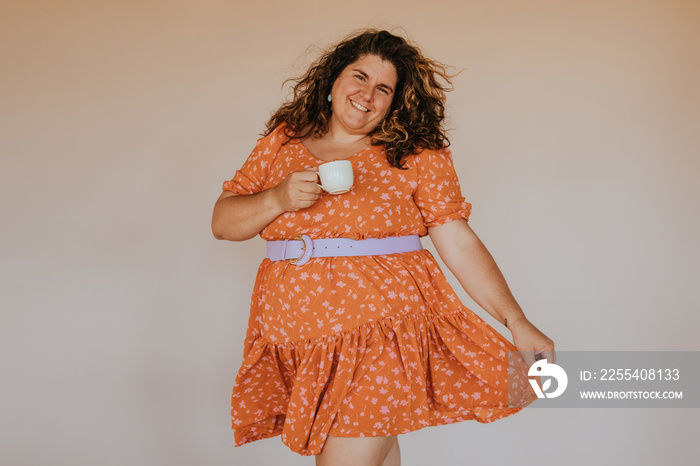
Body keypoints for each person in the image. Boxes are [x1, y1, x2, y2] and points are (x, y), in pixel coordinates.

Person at [212, 29, 555, 466]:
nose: (366, 94)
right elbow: (223, 223)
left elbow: (458, 241)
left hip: (383, 331)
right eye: (359, 77)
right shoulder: (284, 141)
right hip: (303, 339)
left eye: (383, 88)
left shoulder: (414, 153)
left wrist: (516, 320)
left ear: (394, 101)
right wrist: (277, 198)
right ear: (333, 79)